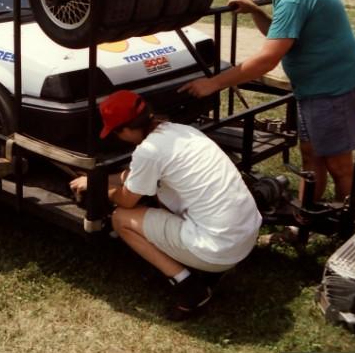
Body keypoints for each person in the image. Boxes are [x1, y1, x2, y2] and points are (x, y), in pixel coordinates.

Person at [180, 0, 355, 202]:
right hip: (314, 88)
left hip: (333, 87)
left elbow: (267, 59)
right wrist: (256, 11)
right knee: (311, 155)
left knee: (339, 165)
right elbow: (281, 34)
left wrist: (213, 84)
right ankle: (306, 220)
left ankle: (352, 227)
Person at [69, 90, 261, 320]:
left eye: (117, 132)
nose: (118, 137)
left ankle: (190, 288)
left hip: (218, 248)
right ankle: (208, 271)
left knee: (121, 219)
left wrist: (96, 187)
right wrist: (97, 177)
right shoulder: (181, 131)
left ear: (128, 129)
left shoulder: (148, 151)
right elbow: (133, 175)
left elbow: (127, 199)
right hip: (246, 237)